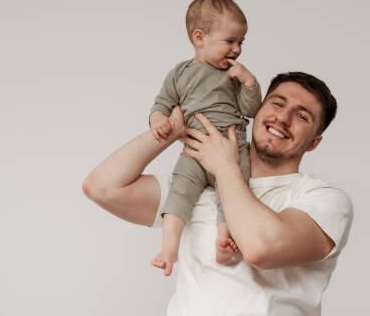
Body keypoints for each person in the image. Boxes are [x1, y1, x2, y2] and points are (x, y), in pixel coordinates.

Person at [82, 71, 353, 316]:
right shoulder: (199, 183)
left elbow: (260, 248)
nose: (282, 118)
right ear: (257, 111)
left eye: (302, 116)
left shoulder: (323, 199)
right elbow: (102, 187)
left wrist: (225, 168)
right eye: (277, 103)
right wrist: (168, 132)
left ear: (314, 142)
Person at [149, 0, 261, 274]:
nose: (237, 49)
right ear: (200, 38)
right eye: (230, 41)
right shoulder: (180, 73)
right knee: (179, 193)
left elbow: (251, 109)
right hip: (195, 150)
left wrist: (249, 83)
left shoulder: (233, 74)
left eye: (241, 42)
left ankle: (224, 240)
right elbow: (161, 103)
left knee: (233, 195)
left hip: (233, 149)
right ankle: (169, 248)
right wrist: (159, 121)